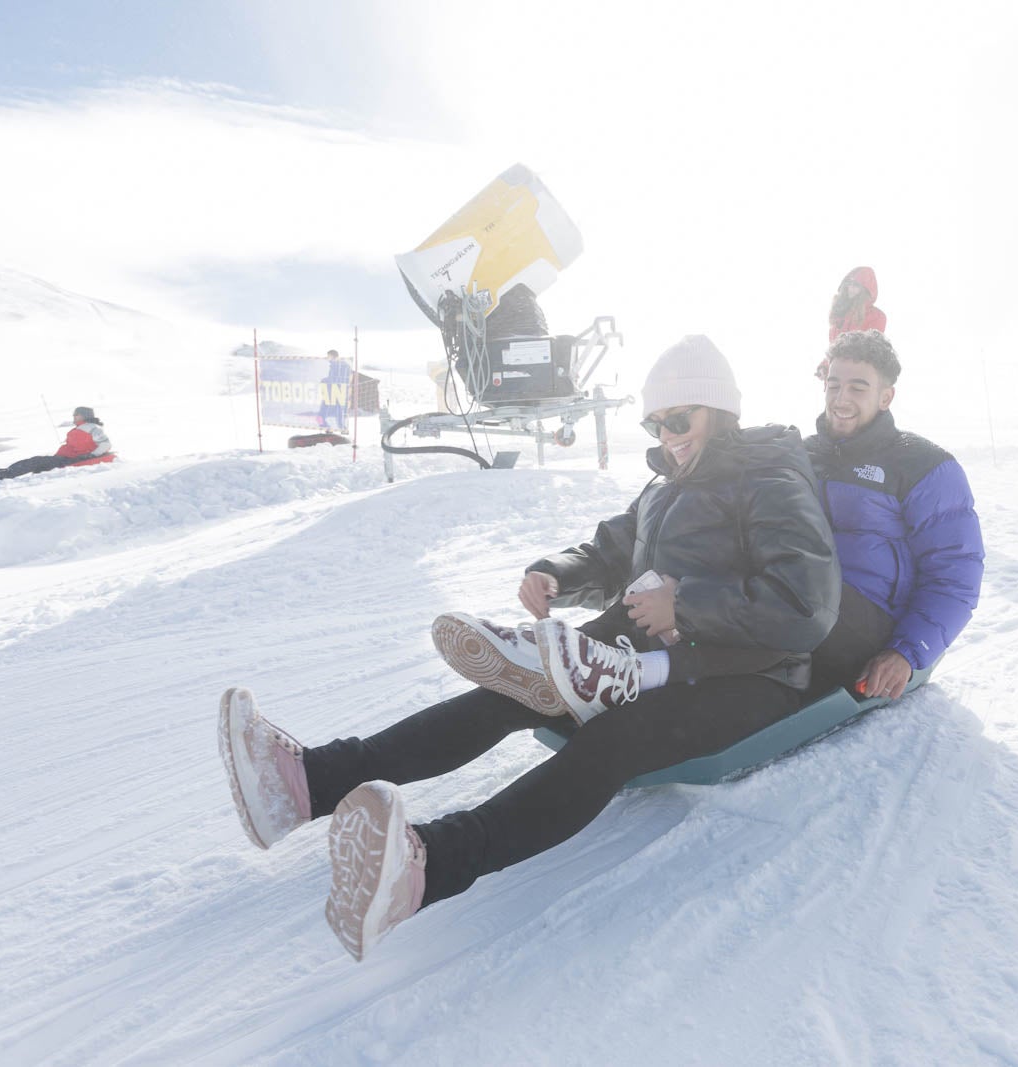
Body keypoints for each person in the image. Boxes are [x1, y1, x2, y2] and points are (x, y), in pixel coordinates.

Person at [218, 335, 840, 961]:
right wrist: (559, 574)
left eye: (680, 419)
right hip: (650, 639)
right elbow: (613, 549)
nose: (668, 434)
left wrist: (687, 604)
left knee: (613, 741)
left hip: (746, 670)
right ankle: (304, 784)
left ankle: (425, 867)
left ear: (720, 411)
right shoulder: (669, 483)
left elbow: (806, 604)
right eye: (656, 422)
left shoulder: (768, 475)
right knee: (506, 693)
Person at [805, 329, 984, 701]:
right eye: (834, 385)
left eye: (858, 388)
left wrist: (906, 650)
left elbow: (955, 573)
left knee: (783, 600)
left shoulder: (923, 466)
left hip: (873, 622)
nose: (841, 398)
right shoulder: (804, 455)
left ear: (886, 396)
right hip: (805, 601)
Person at [0, 406, 114, 482]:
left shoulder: (92, 427)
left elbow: (106, 444)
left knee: (36, 461)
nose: (74, 417)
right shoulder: (81, 428)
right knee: (37, 463)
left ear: (85, 416)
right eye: (74, 414)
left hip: (72, 460)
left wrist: (89, 455)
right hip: (65, 458)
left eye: (77, 415)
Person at [816, 266, 887, 380]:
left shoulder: (877, 317)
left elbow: (870, 350)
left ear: (866, 289)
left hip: (857, 379)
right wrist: (825, 368)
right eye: (849, 284)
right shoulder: (840, 314)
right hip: (836, 380)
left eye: (856, 285)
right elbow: (834, 348)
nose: (851, 288)